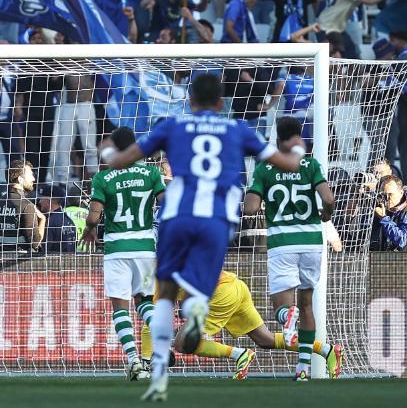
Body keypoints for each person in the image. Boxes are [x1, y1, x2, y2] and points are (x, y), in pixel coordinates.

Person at [102, 73, 303, 402]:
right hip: (216, 222)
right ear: (221, 103)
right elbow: (287, 164)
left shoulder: (172, 127)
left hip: (178, 218)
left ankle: (163, 354)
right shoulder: (237, 129)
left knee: (162, 289)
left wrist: (110, 151)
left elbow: (123, 159)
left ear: (190, 100)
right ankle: (195, 307)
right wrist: (296, 147)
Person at [243, 116, 337, 380]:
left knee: (282, 310)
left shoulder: (265, 167)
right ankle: (303, 367)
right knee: (307, 305)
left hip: (282, 243)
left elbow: (250, 209)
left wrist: (257, 199)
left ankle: (288, 315)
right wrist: (326, 215)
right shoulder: (310, 165)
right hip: (310, 243)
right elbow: (328, 198)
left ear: (277, 137)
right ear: (299, 136)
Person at [84, 127, 165, 381]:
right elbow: (166, 201)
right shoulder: (152, 172)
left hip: (117, 249)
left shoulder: (103, 178)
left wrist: (89, 229)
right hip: (145, 248)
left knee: (120, 306)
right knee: (144, 301)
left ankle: (134, 361)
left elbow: (94, 215)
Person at [169, 270, 343, 379]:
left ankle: (240, 354)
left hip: (219, 294)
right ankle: (327, 350)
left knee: (182, 343)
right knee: (265, 339)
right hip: (236, 286)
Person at [371, 173, 407, 251]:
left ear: (401, 192)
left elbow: (402, 240)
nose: (387, 199)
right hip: (390, 259)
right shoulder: (385, 208)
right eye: (384, 195)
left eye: (390, 194)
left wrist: (384, 218)